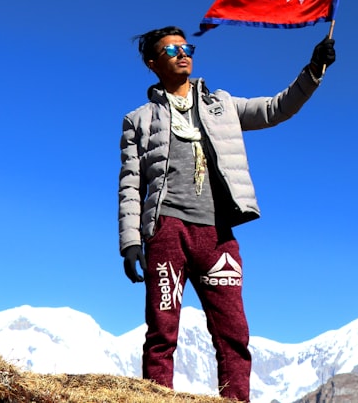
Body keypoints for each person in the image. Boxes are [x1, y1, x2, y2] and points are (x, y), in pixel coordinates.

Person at [118, 25, 335, 402]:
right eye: (171, 51)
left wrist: (313, 70)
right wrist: (131, 242)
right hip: (167, 231)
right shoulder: (138, 120)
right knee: (161, 332)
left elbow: (276, 108)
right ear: (153, 64)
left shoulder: (222, 105)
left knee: (234, 334)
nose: (183, 54)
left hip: (218, 236)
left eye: (187, 47)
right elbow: (131, 184)